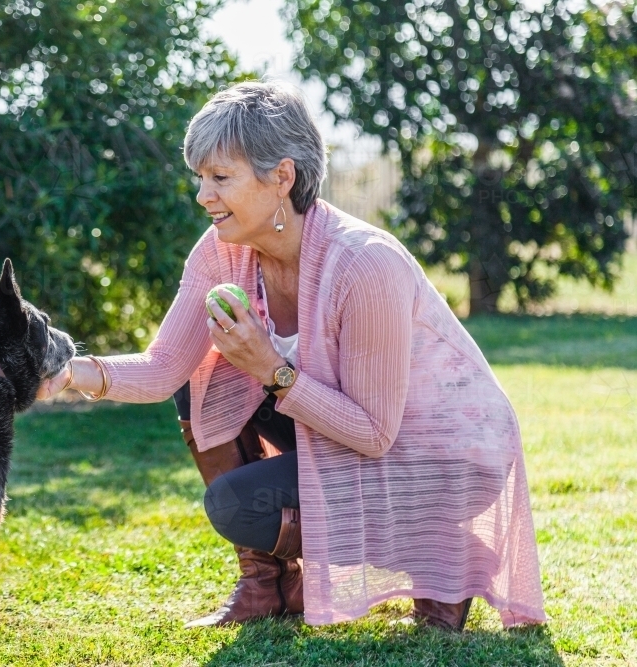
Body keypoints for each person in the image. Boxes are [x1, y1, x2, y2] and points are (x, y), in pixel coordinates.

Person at [38, 80, 545, 630]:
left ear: (282, 177)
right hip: (351, 432)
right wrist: (68, 373)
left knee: (237, 506)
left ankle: (441, 548)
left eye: (221, 178)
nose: (203, 195)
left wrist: (269, 369)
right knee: (203, 374)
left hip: (444, 459)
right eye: (200, 177)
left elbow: (376, 432)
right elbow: (164, 369)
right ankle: (267, 586)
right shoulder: (222, 250)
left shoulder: (364, 263)